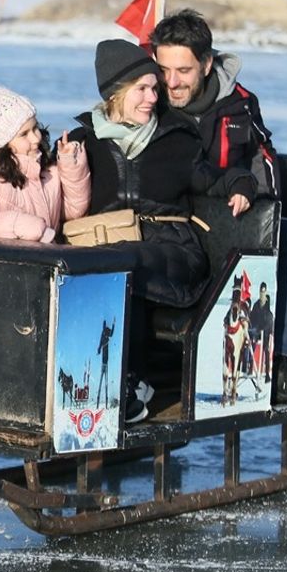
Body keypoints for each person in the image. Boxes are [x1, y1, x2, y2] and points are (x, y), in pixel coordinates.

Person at [69, 39, 256, 423]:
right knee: (97, 266)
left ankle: (131, 385)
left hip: (173, 250)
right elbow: (27, 174)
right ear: (115, 93)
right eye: (142, 88)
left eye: (155, 88)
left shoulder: (177, 139)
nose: (154, 97)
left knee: (125, 263)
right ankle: (74, 379)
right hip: (109, 245)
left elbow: (215, 178)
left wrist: (242, 183)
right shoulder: (84, 141)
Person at [150, 9, 287, 403]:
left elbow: (264, 158)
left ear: (207, 64)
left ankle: (277, 368)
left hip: (232, 218)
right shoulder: (149, 99)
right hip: (173, 225)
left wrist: (264, 212)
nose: (171, 82)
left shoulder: (240, 104)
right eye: (164, 69)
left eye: (183, 71)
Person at [0, 83, 90, 243]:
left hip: (48, 260)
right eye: (24, 134)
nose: (36, 138)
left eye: (35, 128)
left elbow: (73, 211)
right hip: (10, 263)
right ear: (1, 144)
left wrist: (70, 165)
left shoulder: (48, 171)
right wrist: (20, 225)